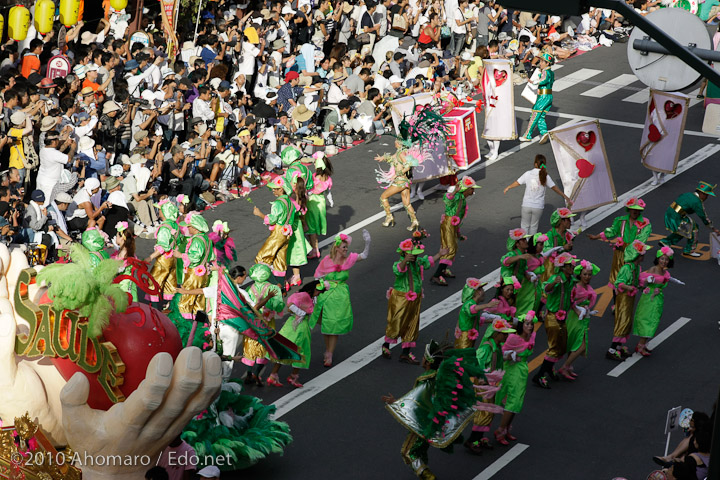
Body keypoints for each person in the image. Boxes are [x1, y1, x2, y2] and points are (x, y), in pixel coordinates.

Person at [383, 341, 486, 479]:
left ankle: (428, 477)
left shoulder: (426, 379)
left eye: (425, 357)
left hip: (423, 423)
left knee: (408, 452)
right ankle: (424, 472)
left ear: (428, 361)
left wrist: (396, 402)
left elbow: (416, 401)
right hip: (432, 422)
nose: (423, 358)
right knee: (420, 450)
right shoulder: (438, 375)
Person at [310, 231, 371, 367]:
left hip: (340, 297)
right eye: (343, 247)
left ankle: (329, 354)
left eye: (346, 247)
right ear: (336, 248)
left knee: (335, 325)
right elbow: (317, 276)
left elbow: (364, 255)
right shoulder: (326, 260)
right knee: (327, 326)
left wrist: (367, 242)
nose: (346, 249)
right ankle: (328, 350)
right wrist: (321, 286)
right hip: (326, 295)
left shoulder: (349, 260)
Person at [382, 238, 448, 364]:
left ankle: (405, 353)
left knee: (412, 323)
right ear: (405, 254)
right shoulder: (400, 264)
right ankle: (386, 346)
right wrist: (405, 261)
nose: (416, 256)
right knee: (396, 323)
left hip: (415, 298)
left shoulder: (418, 262)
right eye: (413, 254)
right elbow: (398, 270)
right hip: (400, 298)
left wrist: (440, 254)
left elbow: (427, 262)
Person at [468, 317, 516, 453]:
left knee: (489, 412)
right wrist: (482, 377)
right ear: (497, 334)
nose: (506, 336)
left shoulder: (497, 348)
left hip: (492, 385)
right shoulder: (486, 348)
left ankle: (480, 438)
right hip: (484, 386)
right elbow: (476, 364)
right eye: (504, 333)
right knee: (484, 412)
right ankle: (472, 440)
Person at [533, 252, 575, 389]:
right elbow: (546, 288)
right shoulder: (556, 278)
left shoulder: (570, 279)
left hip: (563, 317)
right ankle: (539, 375)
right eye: (570, 265)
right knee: (554, 347)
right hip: (552, 317)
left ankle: (549, 368)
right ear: (563, 267)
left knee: (562, 346)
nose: (573, 267)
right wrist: (553, 284)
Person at [587, 197, 651, 288]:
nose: (635, 212)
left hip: (633, 255)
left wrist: (631, 256)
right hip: (619, 254)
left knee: (629, 280)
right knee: (616, 279)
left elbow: (641, 240)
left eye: (638, 210)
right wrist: (596, 237)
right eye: (633, 209)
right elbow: (611, 231)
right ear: (629, 209)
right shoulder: (621, 220)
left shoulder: (645, 224)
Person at [494, 310, 537, 445]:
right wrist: (510, 355)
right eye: (527, 324)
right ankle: (500, 430)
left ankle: (506, 428)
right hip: (512, 370)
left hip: (522, 370)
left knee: (517, 400)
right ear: (521, 325)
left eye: (531, 324)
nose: (530, 327)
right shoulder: (514, 338)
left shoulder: (532, 336)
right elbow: (501, 352)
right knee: (513, 400)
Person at [633, 246, 684, 356]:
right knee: (648, 320)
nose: (664, 261)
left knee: (654, 320)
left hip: (658, 298)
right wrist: (647, 281)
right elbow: (641, 280)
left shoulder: (663, 271)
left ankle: (643, 344)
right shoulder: (653, 269)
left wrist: (674, 281)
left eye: (666, 259)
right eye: (662, 259)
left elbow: (666, 278)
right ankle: (640, 346)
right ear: (657, 259)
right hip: (649, 299)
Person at [266, 285, 321, 388]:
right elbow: (291, 306)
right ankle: (293, 376)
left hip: (289, 325)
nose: (319, 293)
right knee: (301, 350)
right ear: (313, 289)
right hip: (301, 327)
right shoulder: (306, 297)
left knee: (284, 348)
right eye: (319, 291)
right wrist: (301, 313)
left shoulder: (302, 295)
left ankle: (273, 375)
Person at [503, 154, 572, 234]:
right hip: (538, 206)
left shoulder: (528, 174)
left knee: (525, 225)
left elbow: (518, 182)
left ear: (535, 163)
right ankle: (532, 244)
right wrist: (565, 196)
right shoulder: (545, 176)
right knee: (534, 226)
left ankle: (525, 243)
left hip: (526, 204)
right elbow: (554, 188)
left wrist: (508, 187)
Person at [431, 176, 480, 286]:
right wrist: (454, 192)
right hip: (448, 224)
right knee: (449, 249)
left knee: (453, 248)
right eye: (472, 188)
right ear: (467, 189)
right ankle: (436, 275)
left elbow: (458, 218)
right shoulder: (457, 196)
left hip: (452, 225)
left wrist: (458, 233)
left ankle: (442, 271)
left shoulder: (462, 199)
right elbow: (447, 200)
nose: (473, 191)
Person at [242, 263, 285, 386]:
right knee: (265, 346)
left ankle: (249, 373)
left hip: (253, 322)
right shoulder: (274, 289)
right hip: (267, 322)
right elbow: (278, 306)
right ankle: (256, 373)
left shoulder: (249, 289)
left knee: (251, 346)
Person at [607, 240, 650, 361]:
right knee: (622, 321)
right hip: (623, 299)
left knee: (627, 322)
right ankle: (612, 349)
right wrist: (629, 287)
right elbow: (618, 283)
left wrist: (643, 287)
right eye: (642, 254)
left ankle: (619, 347)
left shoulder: (636, 267)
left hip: (630, 298)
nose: (643, 256)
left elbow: (637, 282)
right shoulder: (627, 268)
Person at [559, 260, 600, 379]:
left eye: (589, 274)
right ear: (580, 274)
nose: (587, 277)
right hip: (574, 317)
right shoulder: (576, 286)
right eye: (585, 274)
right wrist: (578, 308)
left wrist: (588, 311)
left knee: (574, 343)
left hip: (582, 318)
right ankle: (564, 367)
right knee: (580, 346)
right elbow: (569, 301)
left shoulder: (587, 287)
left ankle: (568, 366)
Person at [253, 176, 296, 282]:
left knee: (263, 257)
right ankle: (282, 286)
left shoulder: (278, 203)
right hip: (287, 232)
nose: (273, 190)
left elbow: (271, 220)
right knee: (280, 260)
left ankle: (269, 283)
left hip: (278, 232)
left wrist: (259, 214)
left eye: (275, 188)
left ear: (281, 189)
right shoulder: (290, 203)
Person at [659, 181, 720, 257]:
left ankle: (666, 242)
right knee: (694, 228)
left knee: (684, 229)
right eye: (706, 195)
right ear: (701, 193)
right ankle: (690, 250)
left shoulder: (688, 194)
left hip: (670, 213)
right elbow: (704, 217)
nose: (706, 198)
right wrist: (714, 229)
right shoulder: (697, 202)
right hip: (676, 217)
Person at [174, 213, 214, 319]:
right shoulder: (207, 239)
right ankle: (199, 326)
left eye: (189, 226)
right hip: (203, 272)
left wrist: (180, 255)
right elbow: (211, 256)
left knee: (186, 298)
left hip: (194, 274)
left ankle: (185, 324)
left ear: (195, 228)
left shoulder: (196, 240)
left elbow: (194, 258)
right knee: (199, 300)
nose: (188, 228)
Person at [146, 200, 184, 305]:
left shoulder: (164, 228)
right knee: (170, 283)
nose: (159, 211)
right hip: (173, 259)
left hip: (164, 259)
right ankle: (169, 306)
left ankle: (154, 308)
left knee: (154, 282)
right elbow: (180, 240)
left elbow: (162, 247)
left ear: (165, 212)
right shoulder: (175, 225)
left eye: (160, 209)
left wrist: (150, 257)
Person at [375, 139, 418, 230]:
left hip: (400, 182)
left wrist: (396, 174)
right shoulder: (400, 152)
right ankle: (415, 221)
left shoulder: (401, 154)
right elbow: (392, 158)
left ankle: (389, 217)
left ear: (399, 144)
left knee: (383, 197)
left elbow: (407, 166)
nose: (394, 143)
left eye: (395, 141)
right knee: (407, 204)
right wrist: (383, 158)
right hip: (405, 182)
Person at [519, 52, 555, 144]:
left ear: (547, 63)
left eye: (542, 61)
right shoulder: (550, 72)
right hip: (548, 96)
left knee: (534, 115)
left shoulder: (546, 72)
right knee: (541, 116)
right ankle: (544, 132)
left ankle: (527, 135)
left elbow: (543, 80)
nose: (540, 63)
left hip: (543, 97)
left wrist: (533, 81)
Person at [454, 278, 500, 348]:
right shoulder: (469, 304)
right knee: (464, 356)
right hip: (464, 339)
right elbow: (472, 309)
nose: (483, 291)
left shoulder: (472, 303)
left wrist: (491, 320)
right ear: (477, 292)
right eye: (481, 289)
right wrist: (487, 305)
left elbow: (476, 319)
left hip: (468, 338)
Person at [306, 153, 333, 259]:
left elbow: (311, 191)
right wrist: (330, 199)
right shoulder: (327, 177)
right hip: (321, 201)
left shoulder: (315, 177)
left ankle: (315, 250)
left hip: (313, 202)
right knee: (314, 226)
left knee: (311, 227)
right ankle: (314, 248)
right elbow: (328, 191)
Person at [112, 221, 138, 301]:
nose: (115, 237)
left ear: (121, 238)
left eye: (116, 236)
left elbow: (119, 269)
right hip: (124, 284)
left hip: (124, 286)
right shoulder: (125, 251)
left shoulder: (124, 254)